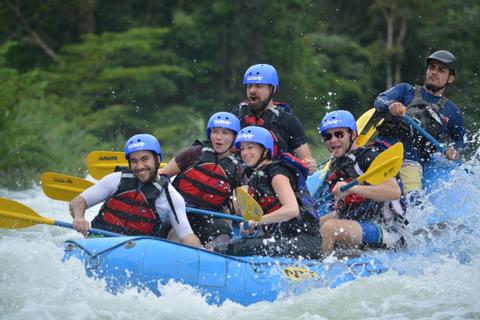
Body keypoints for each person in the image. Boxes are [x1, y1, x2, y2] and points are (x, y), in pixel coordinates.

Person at [69, 134, 201, 247]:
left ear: (157, 159)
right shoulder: (116, 180)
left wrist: (202, 255)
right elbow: (78, 201)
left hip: (134, 250)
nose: (139, 166)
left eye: (145, 159)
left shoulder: (171, 198)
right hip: (99, 241)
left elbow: (187, 237)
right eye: (134, 161)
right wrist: (79, 217)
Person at [215, 126, 322, 259]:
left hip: (305, 241)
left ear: (265, 150)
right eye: (242, 148)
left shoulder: (277, 174)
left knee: (231, 248)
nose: (244, 153)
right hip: (283, 238)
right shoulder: (256, 177)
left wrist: (256, 221)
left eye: (250, 147)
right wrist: (252, 227)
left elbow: (292, 210)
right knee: (234, 245)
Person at [374, 50, 467, 191]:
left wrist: (455, 151)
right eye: (431, 68)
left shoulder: (452, 112)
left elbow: (461, 141)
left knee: (411, 198)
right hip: (381, 151)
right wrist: (391, 105)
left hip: (411, 161)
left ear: (450, 78)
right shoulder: (406, 90)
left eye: (441, 70)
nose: (434, 72)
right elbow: (379, 100)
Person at [318, 110, 407, 257]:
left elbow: (394, 191)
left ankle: (319, 269)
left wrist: (353, 188)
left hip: (389, 231)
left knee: (330, 228)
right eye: (328, 136)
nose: (333, 140)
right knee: (313, 226)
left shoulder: (369, 157)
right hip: (361, 225)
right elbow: (345, 210)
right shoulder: (335, 166)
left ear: (353, 135)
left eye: (339, 134)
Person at [159, 112, 245, 248]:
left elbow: (244, 205)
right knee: (176, 237)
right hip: (179, 215)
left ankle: (212, 256)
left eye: (225, 133)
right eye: (215, 132)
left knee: (223, 234)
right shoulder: (194, 153)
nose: (219, 138)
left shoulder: (237, 169)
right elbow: (161, 175)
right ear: (209, 134)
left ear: (234, 137)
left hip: (208, 219)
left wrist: (244, 219)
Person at [233, 63, 317, 174]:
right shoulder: (236, 116)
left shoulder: (288, 121)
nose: (252, 90)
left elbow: (307, 161)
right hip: (242, 181)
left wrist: (311, 166)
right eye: (249, 86)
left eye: (258, 86)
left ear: (272, 89)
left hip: (275, 181)